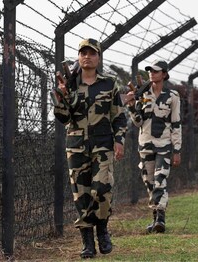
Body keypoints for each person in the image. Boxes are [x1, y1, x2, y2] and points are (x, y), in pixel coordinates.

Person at [53, 38, 127, 258]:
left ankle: (102, 229)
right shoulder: (70, 83)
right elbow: (63, 118)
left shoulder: (109, 83)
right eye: (83, 53)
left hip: (103, 145)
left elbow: (118, 116)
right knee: (81, 195)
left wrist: (119, 140)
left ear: (98, 57)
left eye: (92, 53)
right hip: (76, 146)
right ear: (78, 57)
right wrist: (62, 95)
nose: (87, 56)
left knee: (102, 189)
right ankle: (87, 242)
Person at [125, 59, 182, 233]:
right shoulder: (143, 94)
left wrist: (177, 149)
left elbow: (176, 124)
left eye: (156, 71)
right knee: (149, 182)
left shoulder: (173, 96)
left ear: (164, 74)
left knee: (160, 179)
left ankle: (161, 219)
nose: (152, 73)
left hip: (164, 145)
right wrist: (131, 107)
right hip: (145, 144)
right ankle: (156, 218)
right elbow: (138, 122)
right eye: (150, 70)